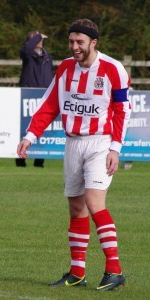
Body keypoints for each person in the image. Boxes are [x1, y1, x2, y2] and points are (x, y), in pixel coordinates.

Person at [17, 18, 131, 291]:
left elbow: (121, 111)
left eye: (80, 42)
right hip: (73, 144)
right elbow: (50, 104)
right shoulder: (67, 67)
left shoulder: (113, 69)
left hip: (100, 143)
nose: (75, 47)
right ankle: (77, 273)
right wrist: (30, 136)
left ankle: (115, 271)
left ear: (94, 42)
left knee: (94, 202)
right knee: (76, 208)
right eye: (71, 42)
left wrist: (116, 148)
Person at [16, 30, 53, 168]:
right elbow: (26, 48)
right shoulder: (27, 54)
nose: (39, 41)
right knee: (24, 127)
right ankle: (20, 160)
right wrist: (38, 35)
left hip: (43, 94)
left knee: (42, 127)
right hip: (28, 94)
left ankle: (40, 160)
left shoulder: (46, 55)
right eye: (36, 39)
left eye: (40, 39)